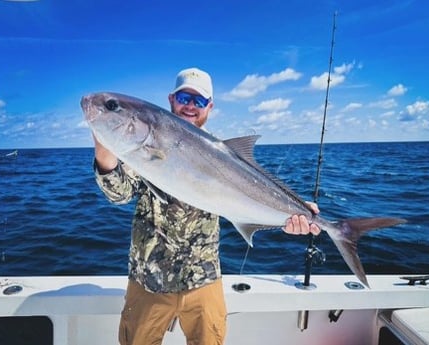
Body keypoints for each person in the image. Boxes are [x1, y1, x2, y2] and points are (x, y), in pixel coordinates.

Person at [91, 67, 321, 345]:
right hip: (148, 281)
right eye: (184, 97)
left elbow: (256, 196)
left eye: (199, 101)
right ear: (171, 100)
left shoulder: (225, 153)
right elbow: (119, 194)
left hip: (203, 280)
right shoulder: (140, 151)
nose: (190, 106)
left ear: (210, 106)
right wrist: (104, 149)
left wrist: (295, 212)